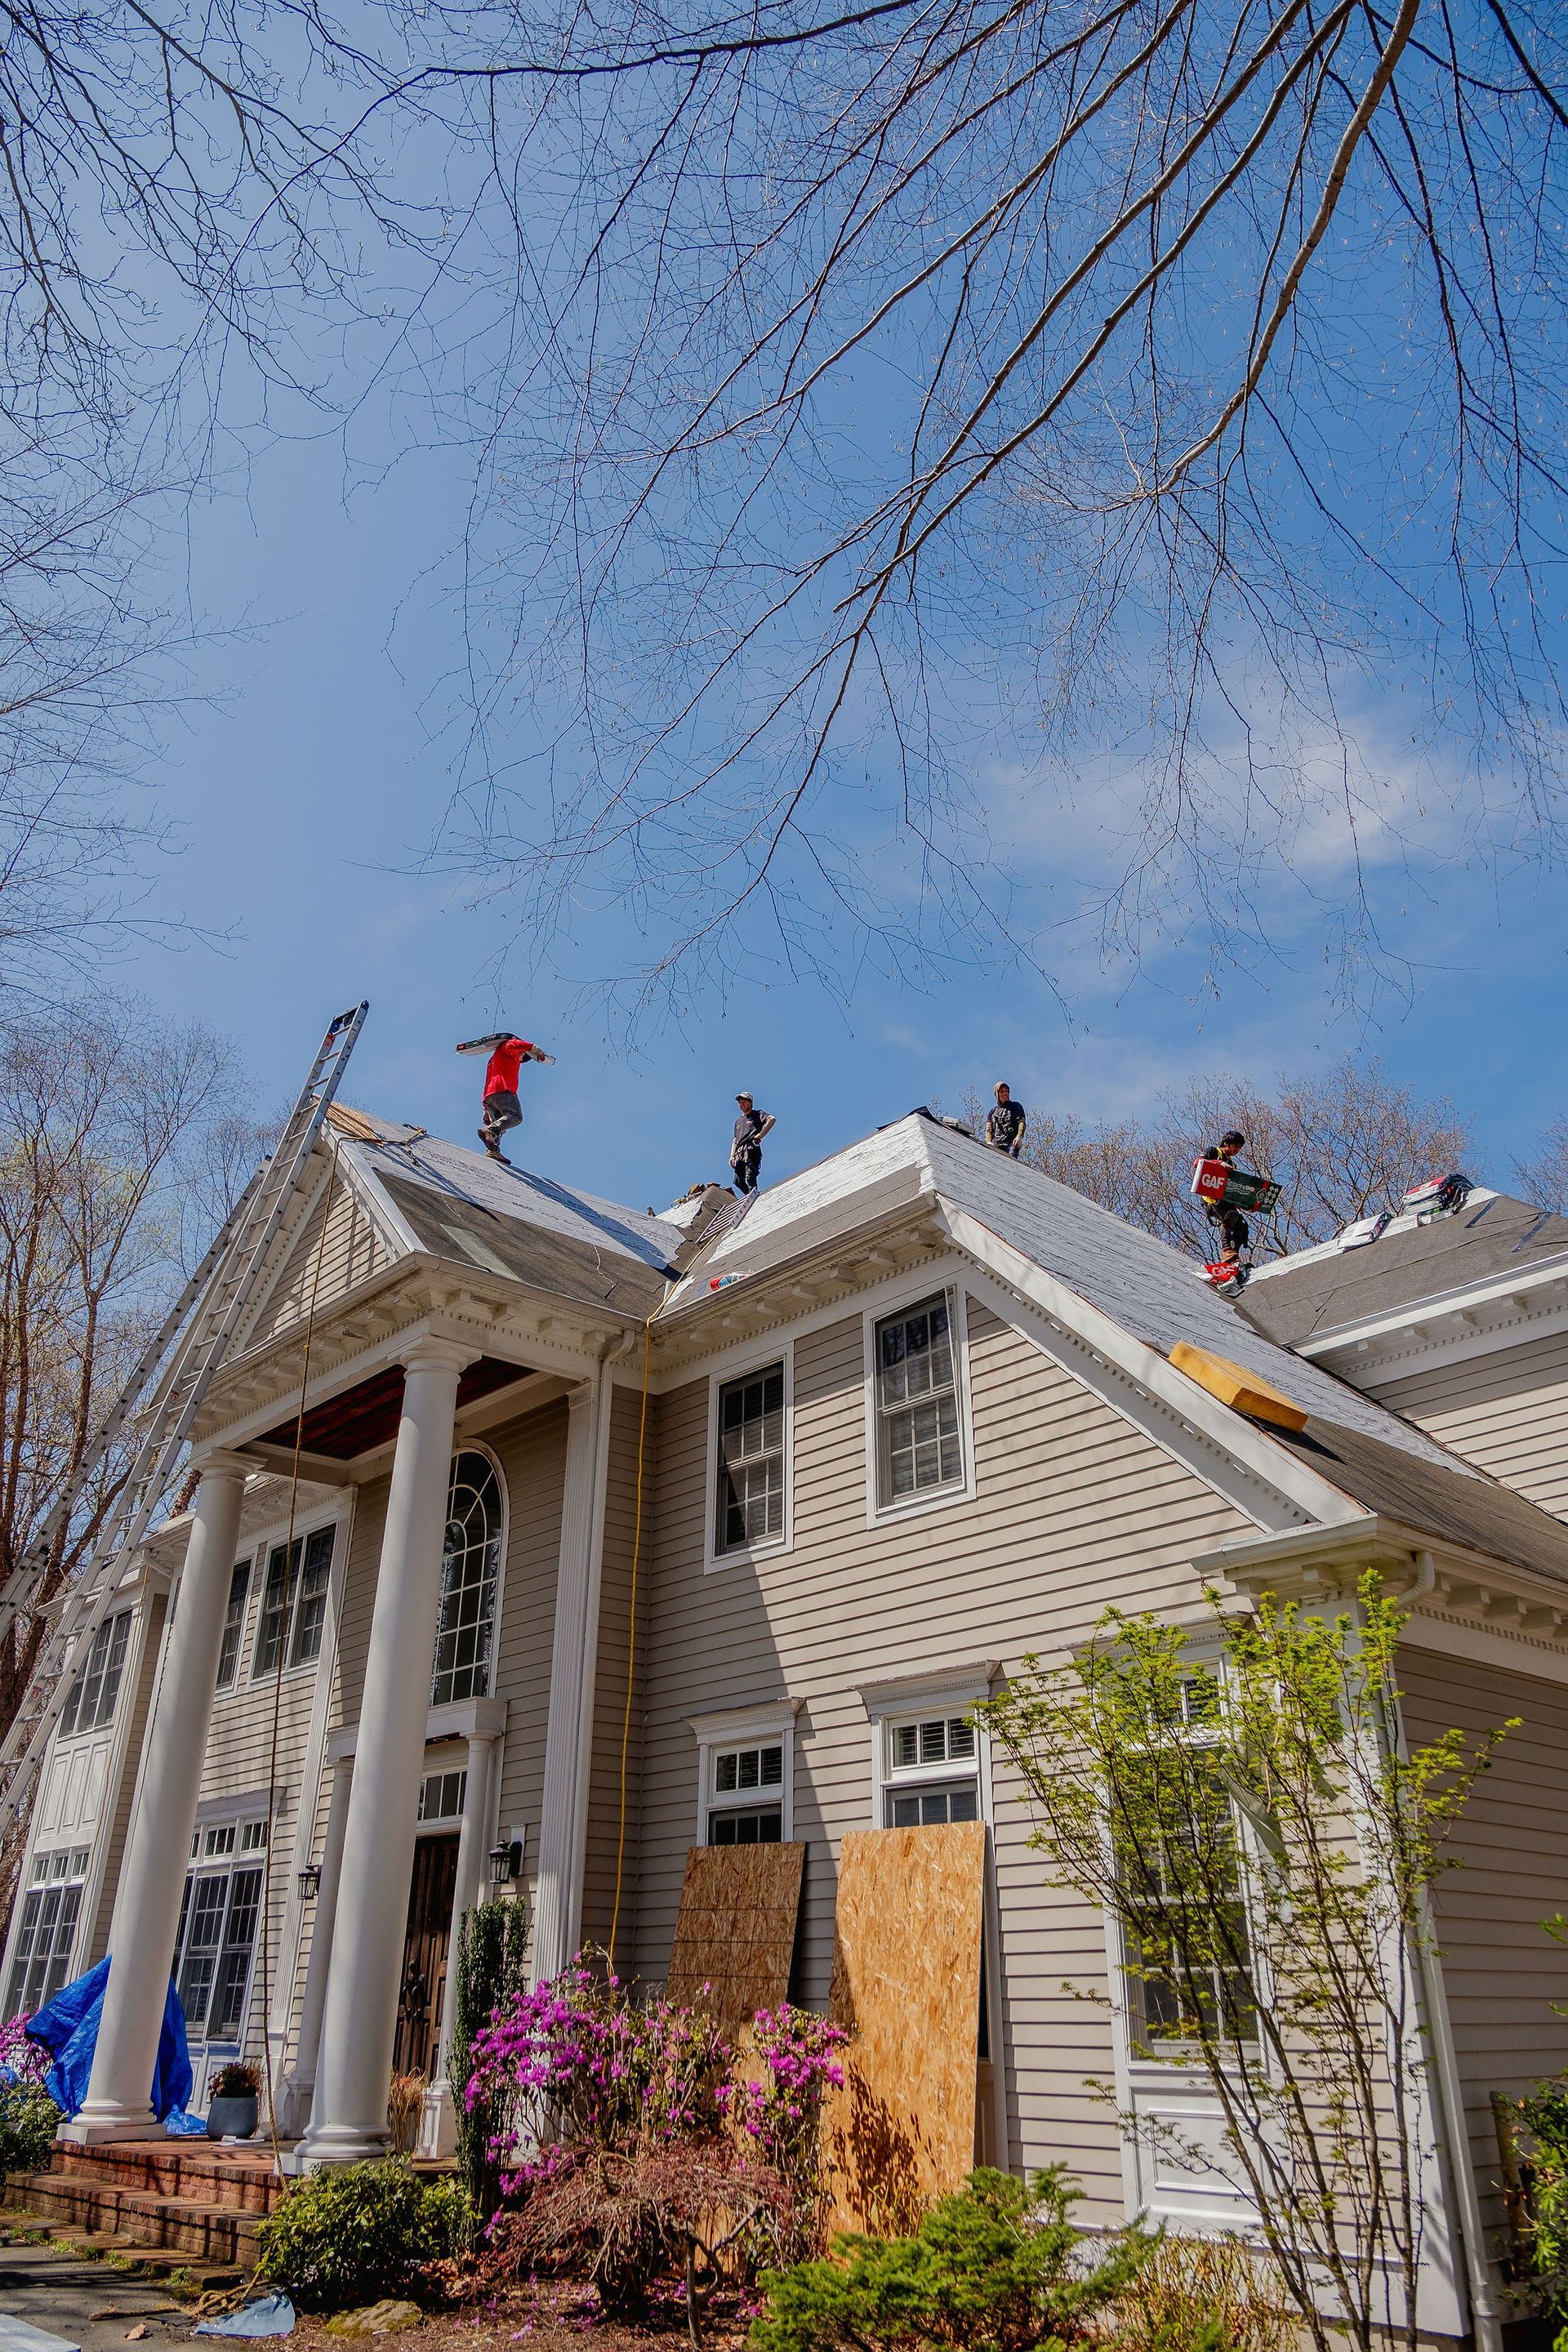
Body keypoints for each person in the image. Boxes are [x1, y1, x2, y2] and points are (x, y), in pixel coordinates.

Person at [455, 1031, 555, 1161]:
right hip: (504, 1091)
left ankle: (493, 1150)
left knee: (500, 1125)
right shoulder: (507, 1047)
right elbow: (513, 1043)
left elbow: (487, 1081)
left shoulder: (493, 1060)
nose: (521, 1059)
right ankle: (489, 1130)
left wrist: (485, 1108)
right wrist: (532, 1048)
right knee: (515, 1116)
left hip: (490, 1096)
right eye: (522, 1056)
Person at [1203, 1129, 1251, 1268]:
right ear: (1227, 1143)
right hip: (1211, 1199)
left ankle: (1233, 1256)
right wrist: (1219, 1164)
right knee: (1229, 1216)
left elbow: (1233, 1190)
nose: (1238, 1150)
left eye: (1240, 1147)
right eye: (1236, 1146)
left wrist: (1246, 1204)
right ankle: (1226, 1250)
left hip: (1226, 1199)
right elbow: (1198, 1163)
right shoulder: (1214, 1152)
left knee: (1242, 1226)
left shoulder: (1233, 1166)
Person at [729, 1093, 776, 1195]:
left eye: (744, 1102)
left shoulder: (757, 1114)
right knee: (738, 1181)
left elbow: (771, 1119)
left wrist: (760, 1135)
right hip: (739, 1153)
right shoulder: (738, 1122)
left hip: (751, 1149)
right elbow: (736, 1139)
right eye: (740, 1103)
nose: (742, 1105)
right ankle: (750, 1195)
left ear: (750, 1102)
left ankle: (753, 1195)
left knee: (750, 1177)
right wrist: (732, 1156)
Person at [986, 1082, 1027, 1156]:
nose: (1005, 1094)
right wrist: (988, 1142)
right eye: (1002, 1092)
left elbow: (1022, 1122)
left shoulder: (1015, 1106)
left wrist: (1019, 1136)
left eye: (1006, 1091)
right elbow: (989, 1129)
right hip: (996, 1145)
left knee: (1011, 1164)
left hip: (1011, 1144)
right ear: (997, 1094)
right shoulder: (993, 1112)